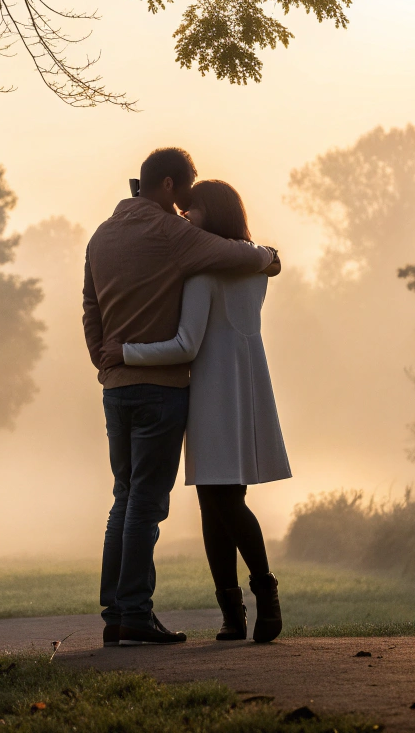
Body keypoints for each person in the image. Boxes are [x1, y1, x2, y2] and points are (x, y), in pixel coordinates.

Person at [82, 148, 279, 647]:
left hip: (116, 387)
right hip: (161, 386)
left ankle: (117, 613)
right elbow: (240, 254)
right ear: (169, 186)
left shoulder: (101, 235)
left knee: (124, 499)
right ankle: (135, 613)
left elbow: (90, 304)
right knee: (146, 504)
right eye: (183, 193)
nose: (184, 206)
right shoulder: (172, 234)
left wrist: (103, 358)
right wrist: (269, 258)